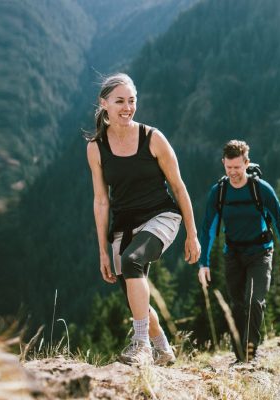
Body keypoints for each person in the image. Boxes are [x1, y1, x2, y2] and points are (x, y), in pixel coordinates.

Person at [85, 73, 201, 366]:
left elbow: (178, 186)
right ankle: (162, 348)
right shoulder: (96, 148)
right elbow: (101, 201)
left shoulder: (153, 138)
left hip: (161, 216)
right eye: (120, 101)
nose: (127, 107)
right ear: (104, 104)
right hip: (123, 224)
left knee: (132, 260)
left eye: (132, 101)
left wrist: (192, 233)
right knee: (136, 297)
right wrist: (102, 250)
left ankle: (141, 346)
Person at [197, 140, 280, 363]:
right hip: (233, 254)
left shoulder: (261, 189)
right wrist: (204, 263)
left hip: (261, 253)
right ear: (223, 163)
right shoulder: (219, 192)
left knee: (254, 301)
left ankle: (249, 355)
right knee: (237, 305)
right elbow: (208, 229)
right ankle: (239, 355)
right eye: (228, 167)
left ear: (247, 163)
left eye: (237, 168)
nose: (233, 173)